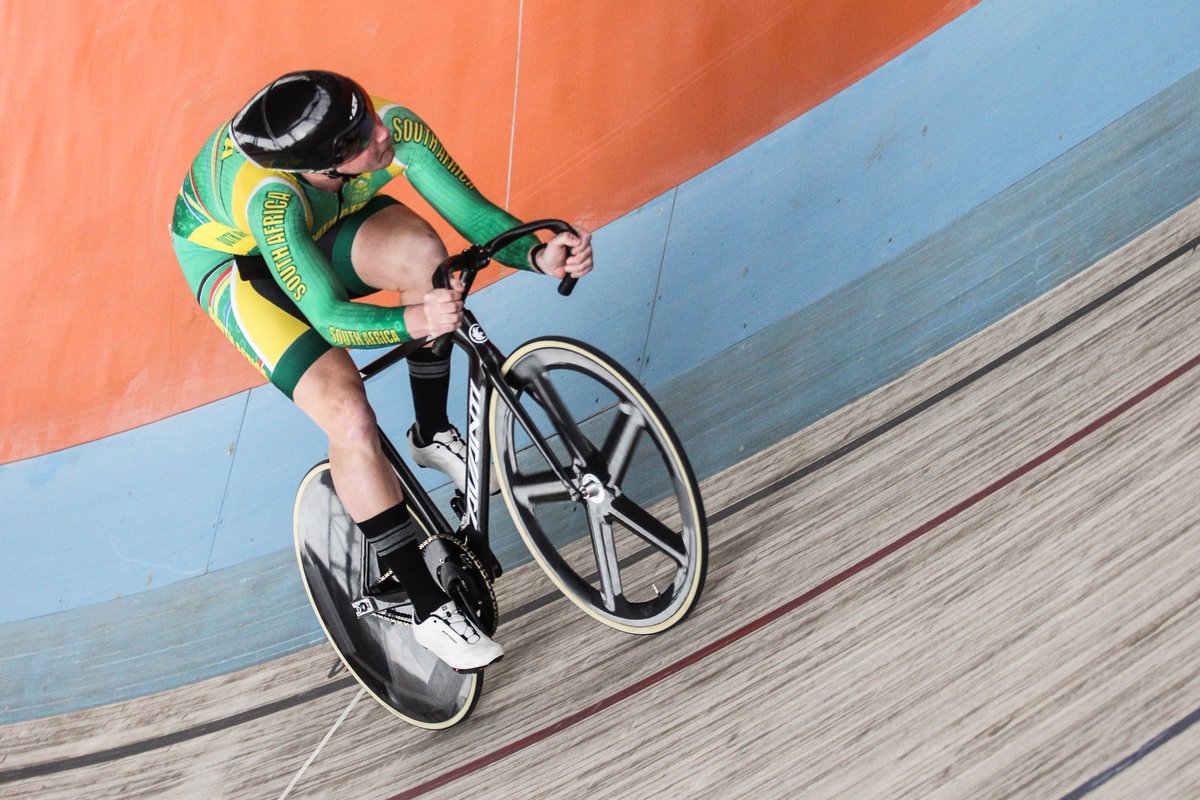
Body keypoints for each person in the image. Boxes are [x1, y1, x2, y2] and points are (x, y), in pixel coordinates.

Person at [170, 69, 593, 672]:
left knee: (426, 258)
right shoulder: (272, 201)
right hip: (240, 268)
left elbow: (471, 215)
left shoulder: (385, 127)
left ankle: (430, 433)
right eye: (358, 141)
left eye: (366, 115)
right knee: (347, 413)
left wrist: (537, 252)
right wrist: (412, 324)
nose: (378, 135)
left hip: (321, 222)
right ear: (324, 167)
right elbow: (331, 320)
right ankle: (428, 611)